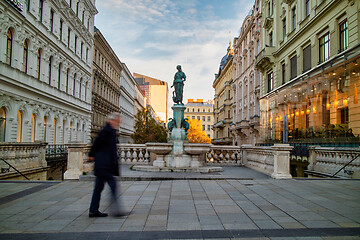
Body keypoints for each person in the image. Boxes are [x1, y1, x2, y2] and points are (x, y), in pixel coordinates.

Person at [88, 112, 126, 217]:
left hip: (104, 165)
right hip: (105, 165)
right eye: (118, 121)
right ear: (111, 120)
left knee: (98, 188)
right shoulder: (107, 131)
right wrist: (91, 154)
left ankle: (93, 210)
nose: (119, 123)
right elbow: (97, 144)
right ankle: (117, 210)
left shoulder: (110, 131)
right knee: (112, 186)